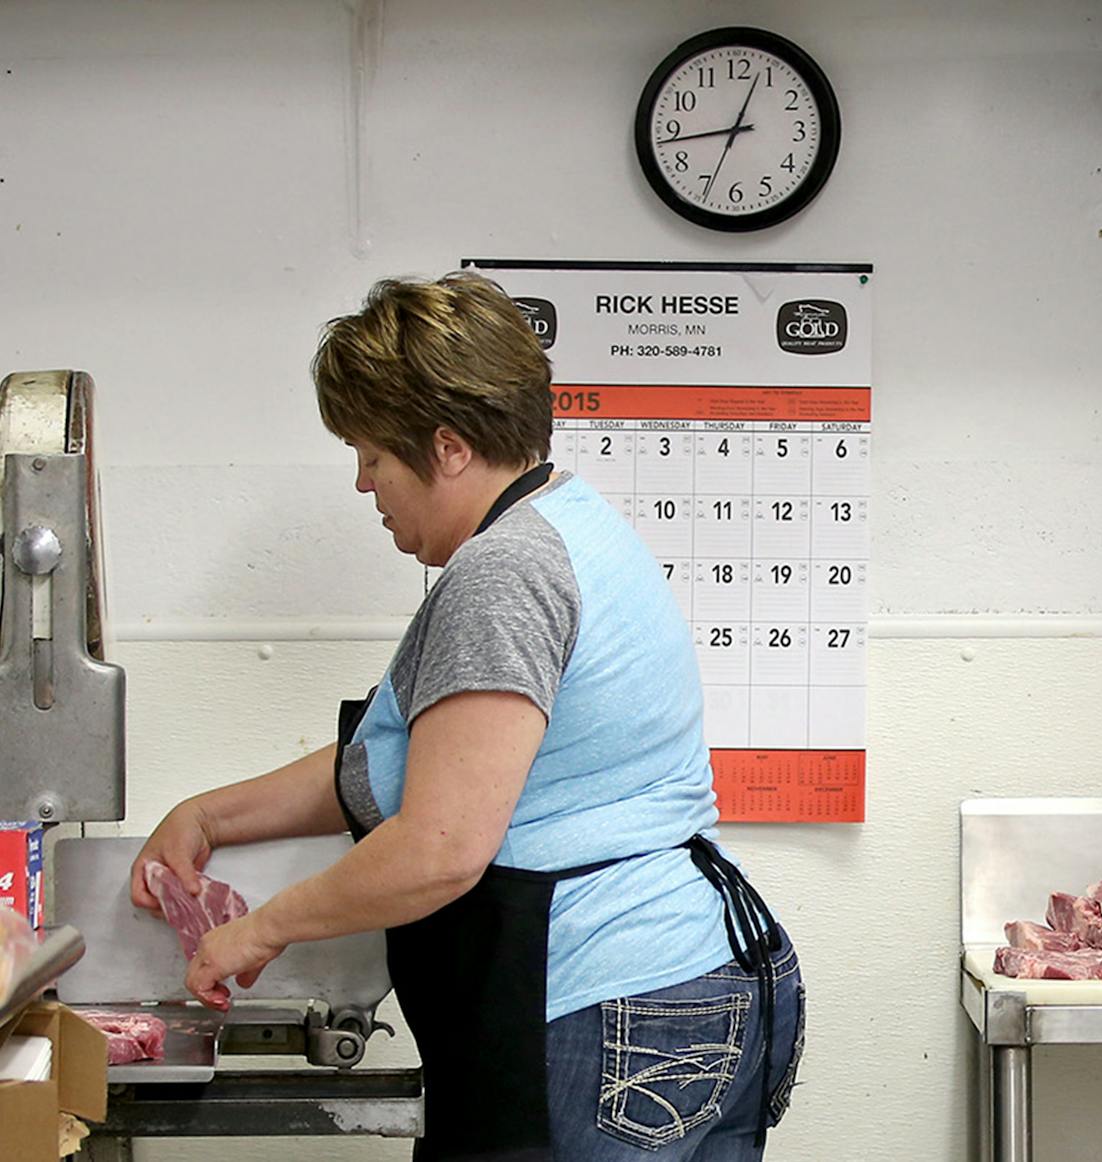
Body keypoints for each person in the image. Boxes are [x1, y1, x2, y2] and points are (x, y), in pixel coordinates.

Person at [130, 272, 804, 1162]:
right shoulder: (570, 520)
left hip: (599, 1008)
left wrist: (261, 928)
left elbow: (440, 847)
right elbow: (409, 760)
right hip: (695, 986)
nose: (363, 482)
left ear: (447, 447)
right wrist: (209, 815)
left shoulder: (504, 573)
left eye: (371, 454)